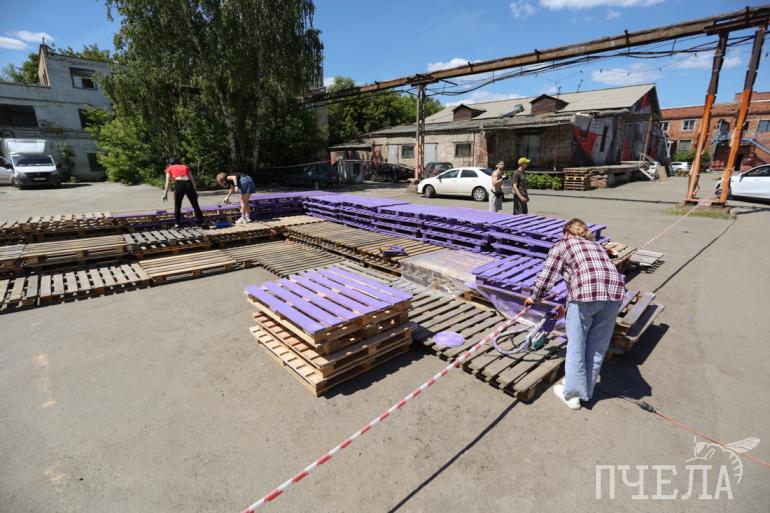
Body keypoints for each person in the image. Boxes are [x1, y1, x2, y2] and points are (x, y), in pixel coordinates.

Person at [525, 218, 625, 410]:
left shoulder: (562, 245)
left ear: (566, 233)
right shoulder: (598, 246)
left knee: (576, 345)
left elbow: (547, 277)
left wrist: (534, 298)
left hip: (585, 295)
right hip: (615, 295)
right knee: (597, 347)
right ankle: (584, 391)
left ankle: (572, 396)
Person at [162, 158, 205, 227]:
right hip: (188, 183)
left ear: (170, 163)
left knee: (177, 205)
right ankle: (201, 222)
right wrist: (195, 191)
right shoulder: (185, 167)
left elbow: (168, 182)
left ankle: (177, 224)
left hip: (179, 184)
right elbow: (192, 179)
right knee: (195, 204)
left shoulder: (169, 168)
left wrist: (165, 193)